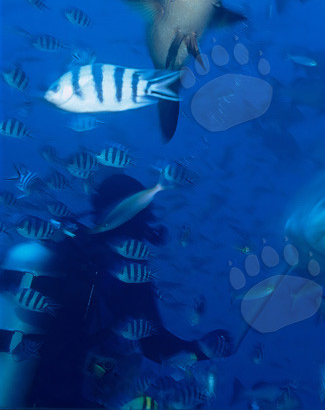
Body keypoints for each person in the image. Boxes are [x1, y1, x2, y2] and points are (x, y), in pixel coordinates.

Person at [0, 173, 231, 407]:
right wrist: (204, 349)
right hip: (60, 395)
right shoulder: (125, 272)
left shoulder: (66, 246)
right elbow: (155, 346)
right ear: (137, 216)